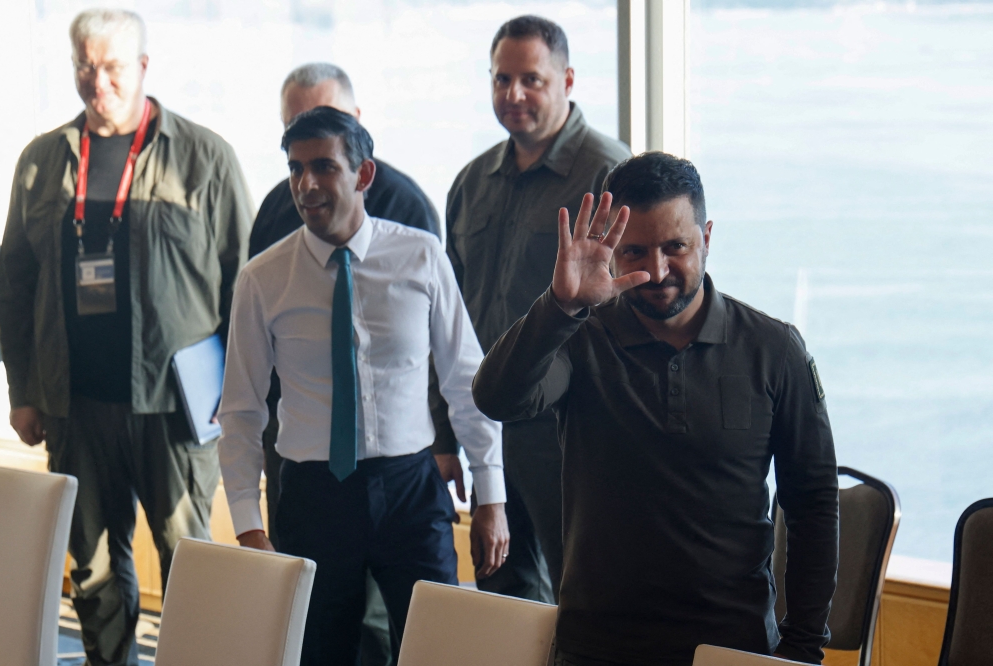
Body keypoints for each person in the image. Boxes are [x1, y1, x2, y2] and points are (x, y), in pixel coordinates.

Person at [473, 152, 840, 666]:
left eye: (677, 247)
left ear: (707, 238)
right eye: (636, 252)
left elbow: (813, 503)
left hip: (731, 645)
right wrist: (560, 306)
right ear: (613, 251)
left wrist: (802, 647)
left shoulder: (774, 350)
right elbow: (498, 399)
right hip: (596, 647)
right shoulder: (581, 339)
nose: (658, 269)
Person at [0, 9, 252, 666]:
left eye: (111, 66)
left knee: (192, 565)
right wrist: (23, 392)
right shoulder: (41, 160)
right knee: (93, 572)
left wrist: (241, 397)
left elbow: (244, 287)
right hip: (73, 402)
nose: (96, 80)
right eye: (85, 64)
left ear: (143, 68)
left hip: (176, 408)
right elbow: (15, 285)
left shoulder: (205, 156)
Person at [218, 106, 508, 666]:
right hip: (312, 496)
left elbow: (465, 381)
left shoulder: (421, 256)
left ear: (363, 175)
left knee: (437, 646)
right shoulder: (262, 279)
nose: (306, 185)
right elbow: (241, 412)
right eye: (295, 168)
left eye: (323, 167)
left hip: (410, 490)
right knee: (320, 653)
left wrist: (491, 493)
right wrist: (248, 526)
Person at [249, 63, 456, 666]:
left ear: (359, 146)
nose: (308, 180)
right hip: (310, 474)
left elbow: (439, 352)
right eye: (295, 140)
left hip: (403, 471)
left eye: (325, 155)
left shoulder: (411, 220)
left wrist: (448, 444)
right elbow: (255, 361)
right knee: (320, 634)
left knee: (419, 634)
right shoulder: (273, 221)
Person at [446, 14, 631, 602]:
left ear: (568, 79)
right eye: (502, 80)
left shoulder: (606, 171)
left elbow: (627, 312)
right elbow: (447, 318)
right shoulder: (472, 182)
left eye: (532, 80)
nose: (514, 95)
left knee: (579, 596)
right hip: (484, 429)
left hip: (564, 436)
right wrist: (443, 431)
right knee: (500, 597)